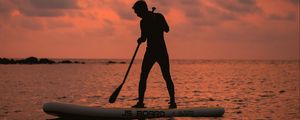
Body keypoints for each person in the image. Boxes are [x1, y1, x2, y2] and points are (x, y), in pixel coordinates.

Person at [132, 0, 177, 109]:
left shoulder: (158, 17)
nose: (137, 15)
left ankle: (173, 103)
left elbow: (167, 29)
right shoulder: (143, 22)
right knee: (143, 76)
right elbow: (144, 38)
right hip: (150, 51)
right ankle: (140, 103)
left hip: (161, 51)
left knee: (166, 76)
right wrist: (140, 39)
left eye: (137, 12)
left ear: (142, 9)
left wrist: (157, 22)